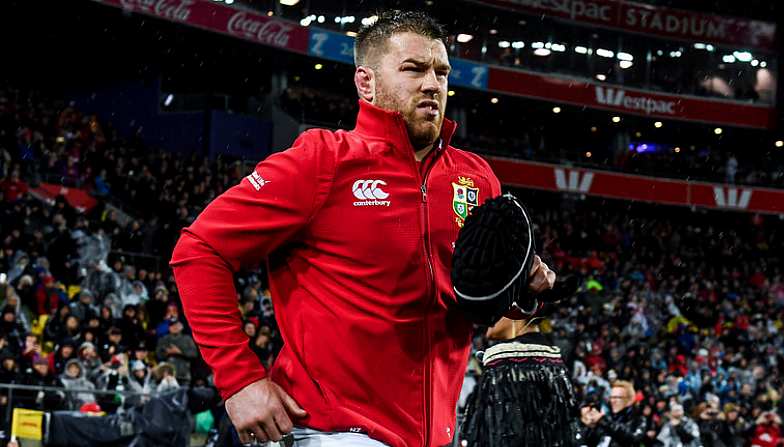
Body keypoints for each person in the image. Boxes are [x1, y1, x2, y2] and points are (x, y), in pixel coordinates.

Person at [170, 10, 555, 447]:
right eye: (413, 69)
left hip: (436, 436)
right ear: (365, 83)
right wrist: (239, 380)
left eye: (441, 71)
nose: (432, 84)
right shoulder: (322, 161)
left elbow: (475, 306)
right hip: (327, 432)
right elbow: (199, 249)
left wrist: (522, 295)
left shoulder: (477, 178)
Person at [459, 317, 579, 446]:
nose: (490, 319)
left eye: (496, 309)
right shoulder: (555, 358)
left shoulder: (502, 358)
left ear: (515, 311)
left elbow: (490, 429)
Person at [579, 380, 645, 446]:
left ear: (629, 400)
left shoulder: (639, 420)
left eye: (617, 397)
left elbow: (632, 438)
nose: (613, 401)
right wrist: (589, 426)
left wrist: (603, 421)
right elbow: (589, 441)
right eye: (612, 397)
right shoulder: (607, 417)